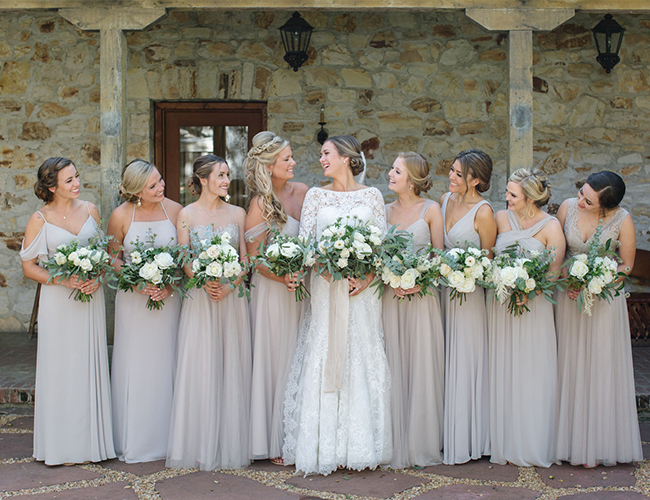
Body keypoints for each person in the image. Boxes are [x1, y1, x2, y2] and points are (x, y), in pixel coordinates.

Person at [283, 135, 391, 476]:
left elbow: (382, 244)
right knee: (326, 350)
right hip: (327, 287)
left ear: (346, 157)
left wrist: (368, 277)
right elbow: (307, 243)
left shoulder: (372, 196)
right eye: (321, 155)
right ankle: (323, 445)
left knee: (360, 352)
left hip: (362, 290)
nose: (322, 160)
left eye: (327, 153)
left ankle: (359, 445)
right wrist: (318, 266)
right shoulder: (315, 195)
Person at [20, 157, 115, 465]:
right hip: (58, 303)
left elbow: (104, 255)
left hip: (89, 300)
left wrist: (97, 277)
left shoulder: (90, 210)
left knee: (87, 366)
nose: (77, 184)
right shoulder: (39, 218)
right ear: (51, 187)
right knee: (61, 368)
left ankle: (90, 444)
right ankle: (61, 446)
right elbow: (28, 267)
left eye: (77, 177)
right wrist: (64, 279)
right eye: (69, 180)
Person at [166, 154, 251, 471]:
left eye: (228, 175)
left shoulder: (238, 213)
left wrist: (230, 284)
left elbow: (245, 258)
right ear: (203, 179)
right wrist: (203, 280)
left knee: (231, 363)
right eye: (221, 175)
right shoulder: (186, 214)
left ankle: (230, 443)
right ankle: (198, 443)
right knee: (201, 365)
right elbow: (185, 260)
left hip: (231, 298)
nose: (227, 180)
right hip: (200, 299)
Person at [554, 171, 642, 467]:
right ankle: (565, 440)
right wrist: (568, 275)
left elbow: (626, 265)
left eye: (588, 200)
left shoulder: (623, 219)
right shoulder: (566, 208)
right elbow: (557, 252)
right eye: (581, 193)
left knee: (600, 366)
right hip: (569, 298)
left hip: (604, 302)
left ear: (605, 207)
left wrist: (598, 280)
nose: (579, 200)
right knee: (568, 363)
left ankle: (601, 442)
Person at [488, 168, 565, 467]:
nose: (506, 198)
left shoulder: (551, 227)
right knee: (503, 368)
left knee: (533, 371)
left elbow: (554, 272)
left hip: (535, 308)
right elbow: (491, 258)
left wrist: (530, 291)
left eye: (513, 195)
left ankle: (533, 440)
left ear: (531, 198)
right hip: (502, 305)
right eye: (507, 192)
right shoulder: (499, 218)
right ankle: (503, 440)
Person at [108, 159, 182, 463]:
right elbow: (112, 258)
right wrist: (137, 283)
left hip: (169, 298)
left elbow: (184, 256)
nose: (161, 187)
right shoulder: (121, 215)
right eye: (153, 185)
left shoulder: (175, 211)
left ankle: (170, 438)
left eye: (161, 180)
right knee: (135, 364)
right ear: (137, 190)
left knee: (167, 361)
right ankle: (133, 439)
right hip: (133, 301)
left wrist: (170, 284)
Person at [244, 132, 309, 464]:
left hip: (302, 289)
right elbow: (254, 257)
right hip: (272, 291)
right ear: (269, 167)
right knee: (277, 359)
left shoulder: (305, 193)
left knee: (302, 358)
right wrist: (282, 274)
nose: (293, 163)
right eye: (287, 159)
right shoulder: (260, 204)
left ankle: (303, 434)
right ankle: (276, 440)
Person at [382, 152, 445, 468]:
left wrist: (419, 283)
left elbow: (439, 257)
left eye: (397, 170)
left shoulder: (431, 209)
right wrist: (389, 278)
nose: (390, 174)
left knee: (421, 364)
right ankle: (391, 442)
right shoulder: (383, 210)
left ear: (413, 178)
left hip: (422, 298)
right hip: (390, 298)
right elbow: (378, 254)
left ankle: (420, 443)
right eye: (392, 169)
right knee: (392, 364)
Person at [439, 150, 495, 465]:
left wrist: (465, 273)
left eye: (459, 174)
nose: (452, 177)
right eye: (452, 170)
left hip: (470, 295)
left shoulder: (484, 212)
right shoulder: (446, 199)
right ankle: (447, 433)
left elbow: (487, 257)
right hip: (444, 290)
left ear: (475, 180)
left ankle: (470, 436)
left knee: (467, 359)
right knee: (446, 357)